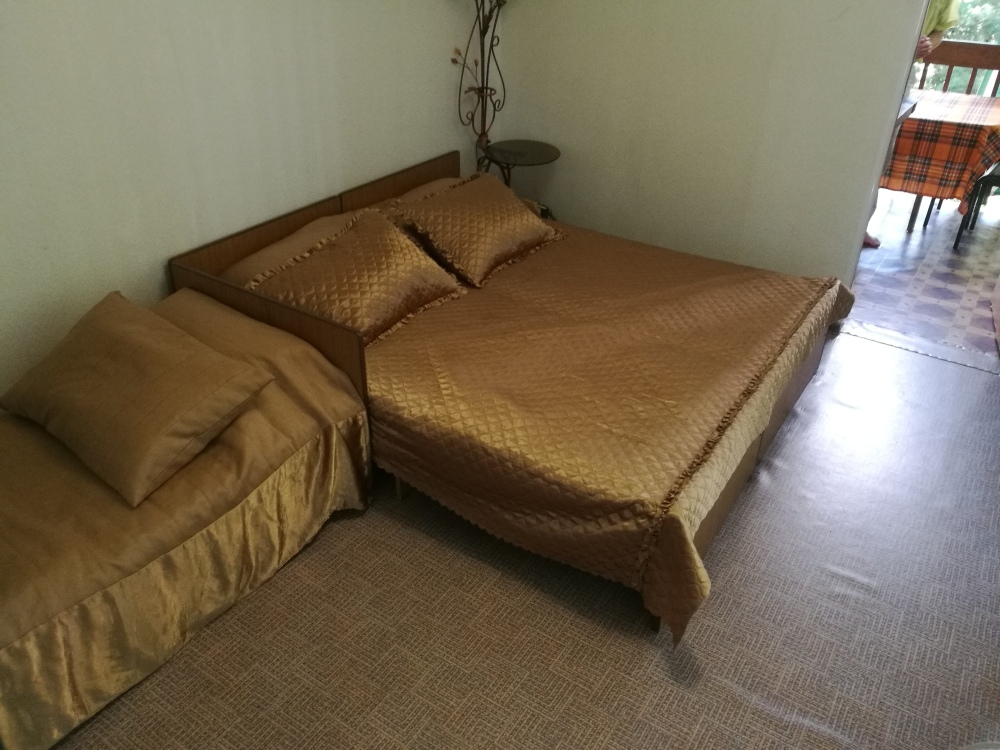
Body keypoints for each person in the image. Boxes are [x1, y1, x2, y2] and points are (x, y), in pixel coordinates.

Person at [863, 0, 961, 248]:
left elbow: (939, 31)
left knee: (880, 156)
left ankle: (859, 227)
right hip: (866, 65)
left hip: (902, 73)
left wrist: (926, 44)